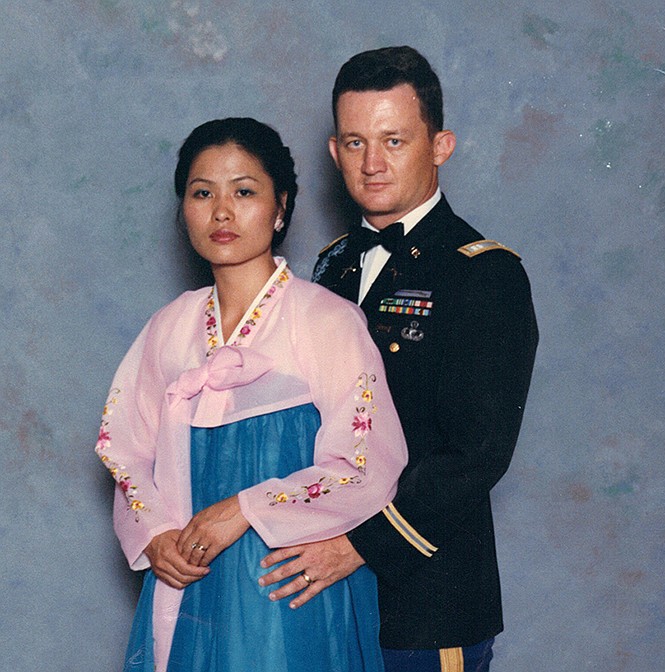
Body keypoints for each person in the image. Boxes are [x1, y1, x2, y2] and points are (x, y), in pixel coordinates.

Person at [258, 47, 539, 671]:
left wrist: (359, 546)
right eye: (355, 143)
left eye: (394, 140)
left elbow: (474, 456)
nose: (373, 163)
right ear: (334, 153)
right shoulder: (332, 265)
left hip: (425, 596)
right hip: (327, 588)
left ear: (441, 146)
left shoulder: (483, 275)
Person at [95, 117, 408, 672]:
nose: (221, 211)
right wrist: (156, 534)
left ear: (280, 207)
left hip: (289, 584)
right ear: (182, 210)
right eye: (202, 193)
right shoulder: (168, 328)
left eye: (243, 192)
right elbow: (121, 448)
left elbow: (363, 464)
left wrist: (243, 509)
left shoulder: (328, 321)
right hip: (189, 583)